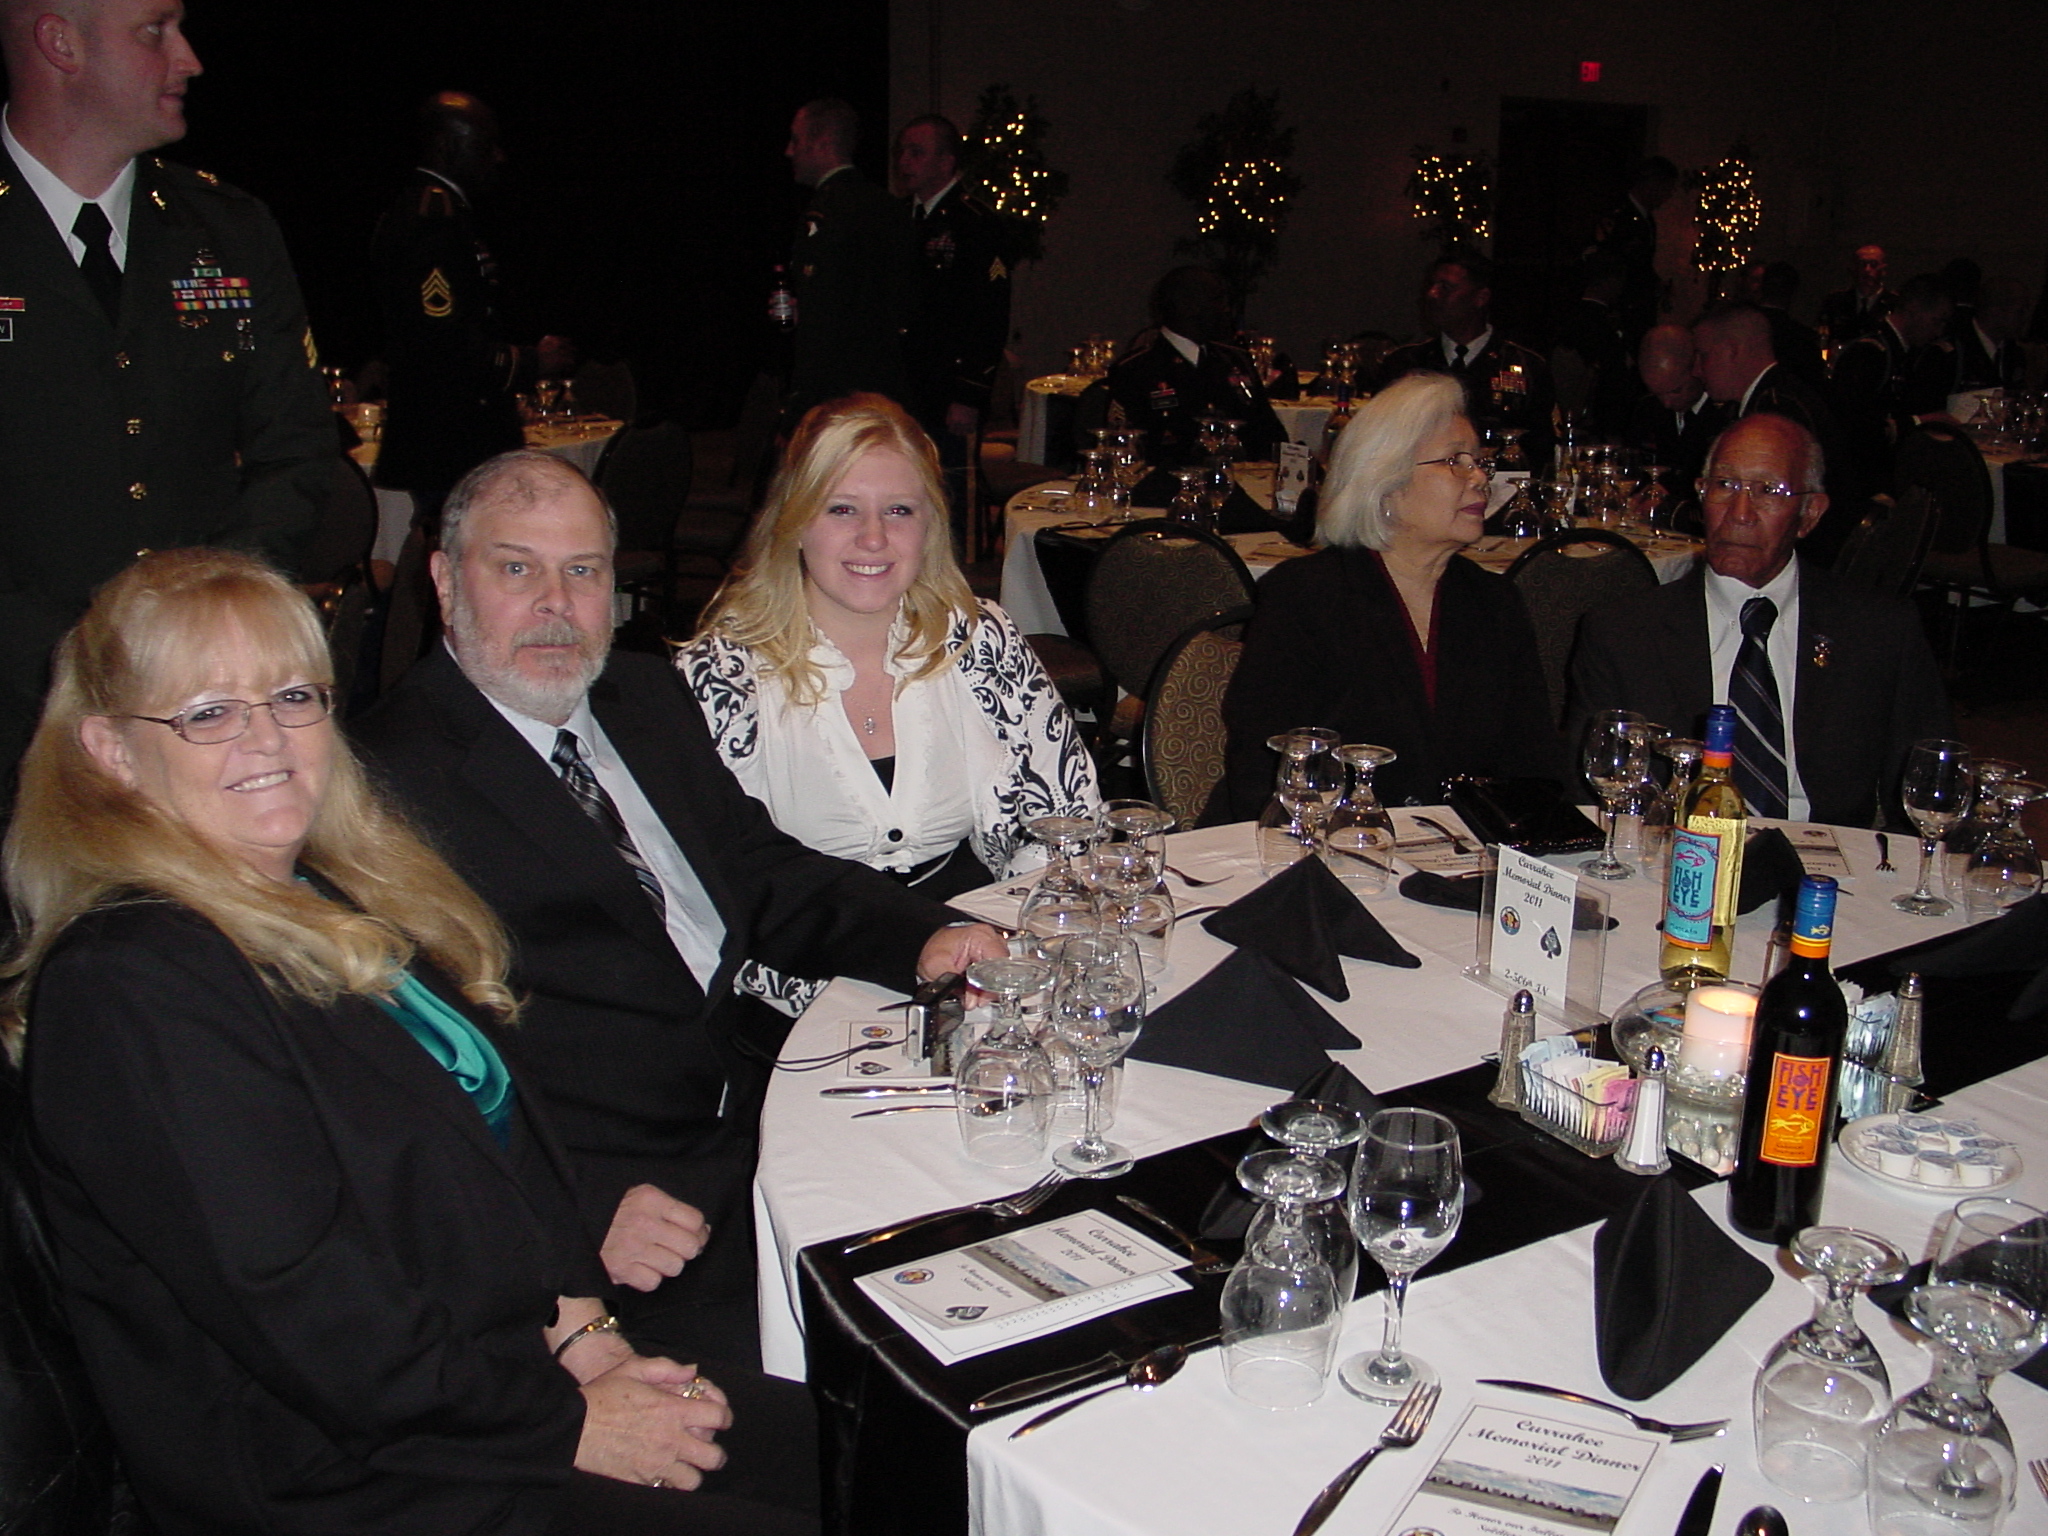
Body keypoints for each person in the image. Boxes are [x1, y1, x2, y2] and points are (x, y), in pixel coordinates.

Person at [6, 548, 819, 1535]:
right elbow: (311, 1314)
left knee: (878, 1455)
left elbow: (503, 1149)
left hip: (493, 1386)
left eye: (293, 696)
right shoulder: (129, 983)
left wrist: (587, 1337)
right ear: (110, 751)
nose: (267, 738)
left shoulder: (325, 894)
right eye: (208, 712)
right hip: (358, 1477)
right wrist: (565, 1424)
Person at [353, 451, 1002, 1367]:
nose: (555, 603)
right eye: (517, 568)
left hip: (771, 1105)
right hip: (627, 1204)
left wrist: (924, 935)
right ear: (445, 579)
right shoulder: (384, 780)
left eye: (583, 571)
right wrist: (575, 1208)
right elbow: (399, 1069)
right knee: (862, 1380)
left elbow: (754, 868)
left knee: (996, 1240)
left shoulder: (640, 695)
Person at [0, 0, 336, 776]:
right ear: (61, 42)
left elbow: (296, 451)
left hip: (210, 714)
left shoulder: (227, 229)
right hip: (17, 724)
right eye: (155, 31)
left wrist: (203, 631)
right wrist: (72, 661)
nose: (189, 59)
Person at [679, 396, 1097, 925]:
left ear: (929, 526)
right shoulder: (721, 673)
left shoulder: (978, 636)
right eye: (841, 509)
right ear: (795, 521)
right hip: (800, 946)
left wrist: (1005, 935)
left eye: (899, 510)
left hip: (979, 927)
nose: (873, 538)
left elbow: (1068, 818)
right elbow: (705, 883)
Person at [1568, 414, 1951, 829]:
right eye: (1724, 485)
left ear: (1810, 513)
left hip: (1826, 855)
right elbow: (1588, 792)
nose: (1740, 513)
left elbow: (1932, 784)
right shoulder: (1624, 633)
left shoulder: (1875, 629)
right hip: (1677, 849)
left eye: (1769, 491)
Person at [1214, 373, 1565, 819]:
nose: (1480, 478)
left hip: (1464, 844)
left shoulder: (1494, 601)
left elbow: (1533, 760)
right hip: (1324, 837)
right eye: (1455, 462)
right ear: (1386, 484)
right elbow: (1265, 763)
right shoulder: (1306, 595)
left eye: (1480, 462)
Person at [371, 90, 571, 529]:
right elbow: (441, 346)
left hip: (454, 434)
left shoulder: (444, 212)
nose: (497, 157)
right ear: (449, 145)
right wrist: (532, 362)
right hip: (450, 437)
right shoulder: (433, 222)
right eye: (485, 144)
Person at [893, 113, 1010, 524]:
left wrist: (969, 394)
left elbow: (989, 315)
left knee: (946, 496)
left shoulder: (974, 223)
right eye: (902, 152)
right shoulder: (898, 218)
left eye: (916, 152)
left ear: (946, 162)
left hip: (947, 388)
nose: (904, 161)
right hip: (902, 382)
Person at [1691, 304, 1857, 562]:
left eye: (1703, 356)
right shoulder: (1781, 394)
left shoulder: (1776, 413)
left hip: (1805, 558)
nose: (1696, 371)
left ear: (1731, 350)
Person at [784, 97, 911, 416]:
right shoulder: (888, 206)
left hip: (839, 394)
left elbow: (823, 323)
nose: (789, 151)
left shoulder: (827, 213)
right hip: (886, 386)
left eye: (796, 140)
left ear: (823, 144)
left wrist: (800, 407)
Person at [1376, 248, 1554, 467]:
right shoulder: (1405, 362)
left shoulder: (1526, 366)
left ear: (1480, 297)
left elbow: (1542, 450)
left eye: (1445, 287)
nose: (1432, 294)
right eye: (1431, 285)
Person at [1102, 265, 1286, 469]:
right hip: (1169, 481)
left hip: (1247, 478)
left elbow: (1271, 434)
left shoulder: (1235, 359)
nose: (1226, 310)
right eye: (1217, 300)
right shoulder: (1137, 368)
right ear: (1187, 306)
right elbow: (1126, 448)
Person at [1830, 273, 1956, 499]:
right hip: (1860, 483)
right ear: (1914, 309)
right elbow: (1853, 427)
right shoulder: (1869, 353)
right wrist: (1920, 422)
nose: (1939, 332)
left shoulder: (1904, 351)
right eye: (1937, 321)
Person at [1625, 323, 1722, 501]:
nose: (1667, 403)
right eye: (1657, 393)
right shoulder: (1647, 410)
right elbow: (1635, 468)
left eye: (1676, 391)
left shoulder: (1724, 416)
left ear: (1697, 368)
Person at [1588, 155, 1678, 345]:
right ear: (1652, 183)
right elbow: (1613, 263)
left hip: (1637, 305)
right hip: (1620, 305)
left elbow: (1642, 261)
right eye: (1666, 188)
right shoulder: (1620, 216)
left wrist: (1656, 284)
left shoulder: (1646, 219)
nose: (1668, 196)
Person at [1818, 244, 1898, 345]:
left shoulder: (1895, 304)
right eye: (1862, 264)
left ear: (1883, 269)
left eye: (1873, 264)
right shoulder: (1835, 302)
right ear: (1854, 268)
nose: (1867, 270)